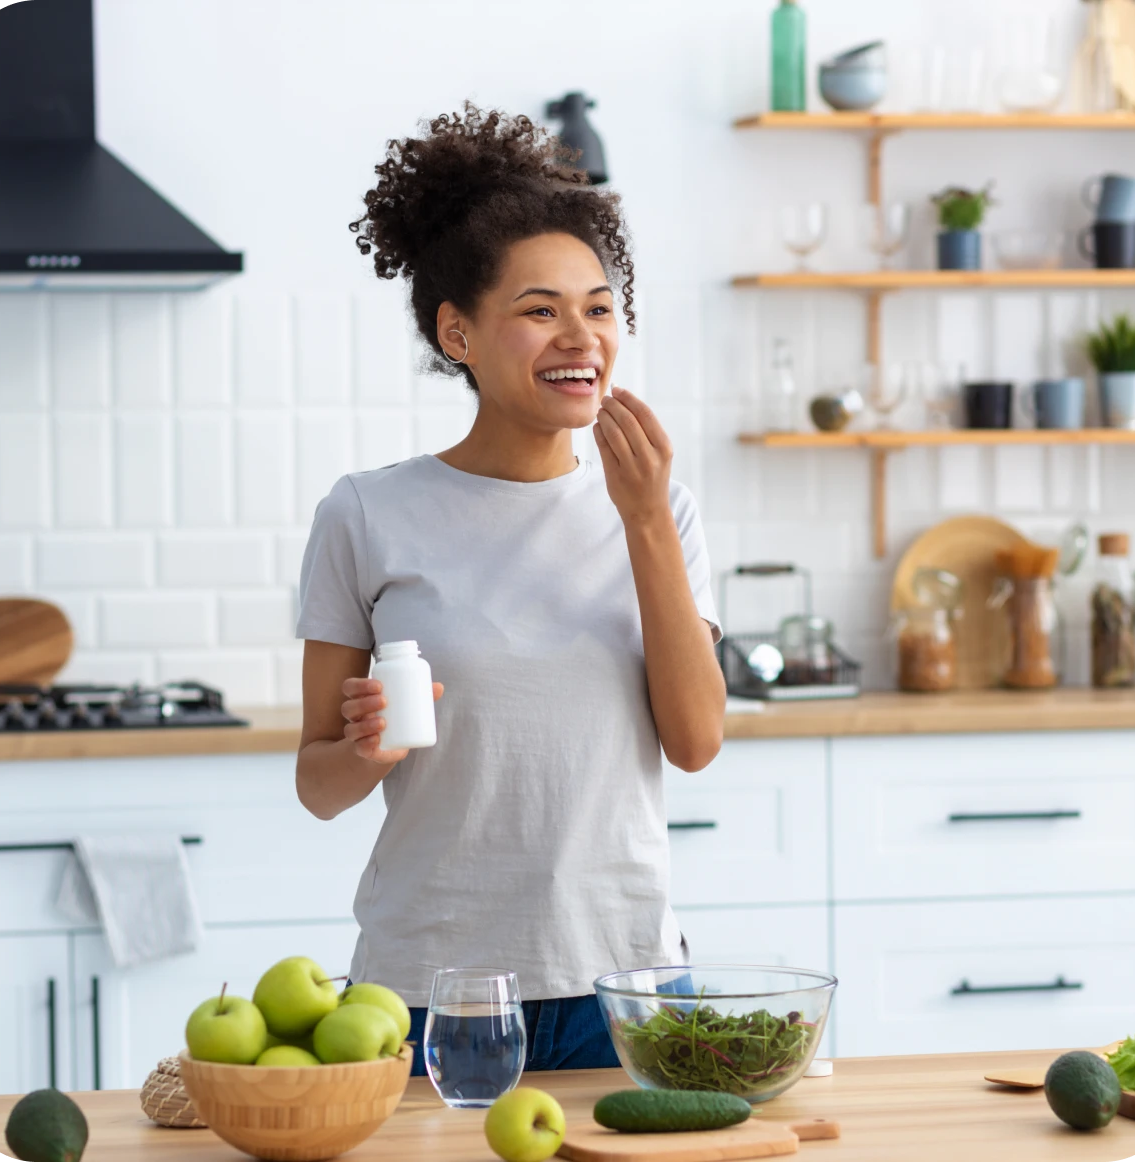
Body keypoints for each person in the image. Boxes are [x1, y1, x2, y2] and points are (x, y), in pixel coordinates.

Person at [295, 104, 726, 1077]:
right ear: (460, 332)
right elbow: (317, 784)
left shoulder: (663, 508)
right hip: (430, 991)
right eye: (540, 309)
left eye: (600, 306)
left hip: (630, 982)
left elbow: (697, 741)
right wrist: (368, 749)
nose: (580, 334)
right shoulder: (367, 515)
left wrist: (646, 518)